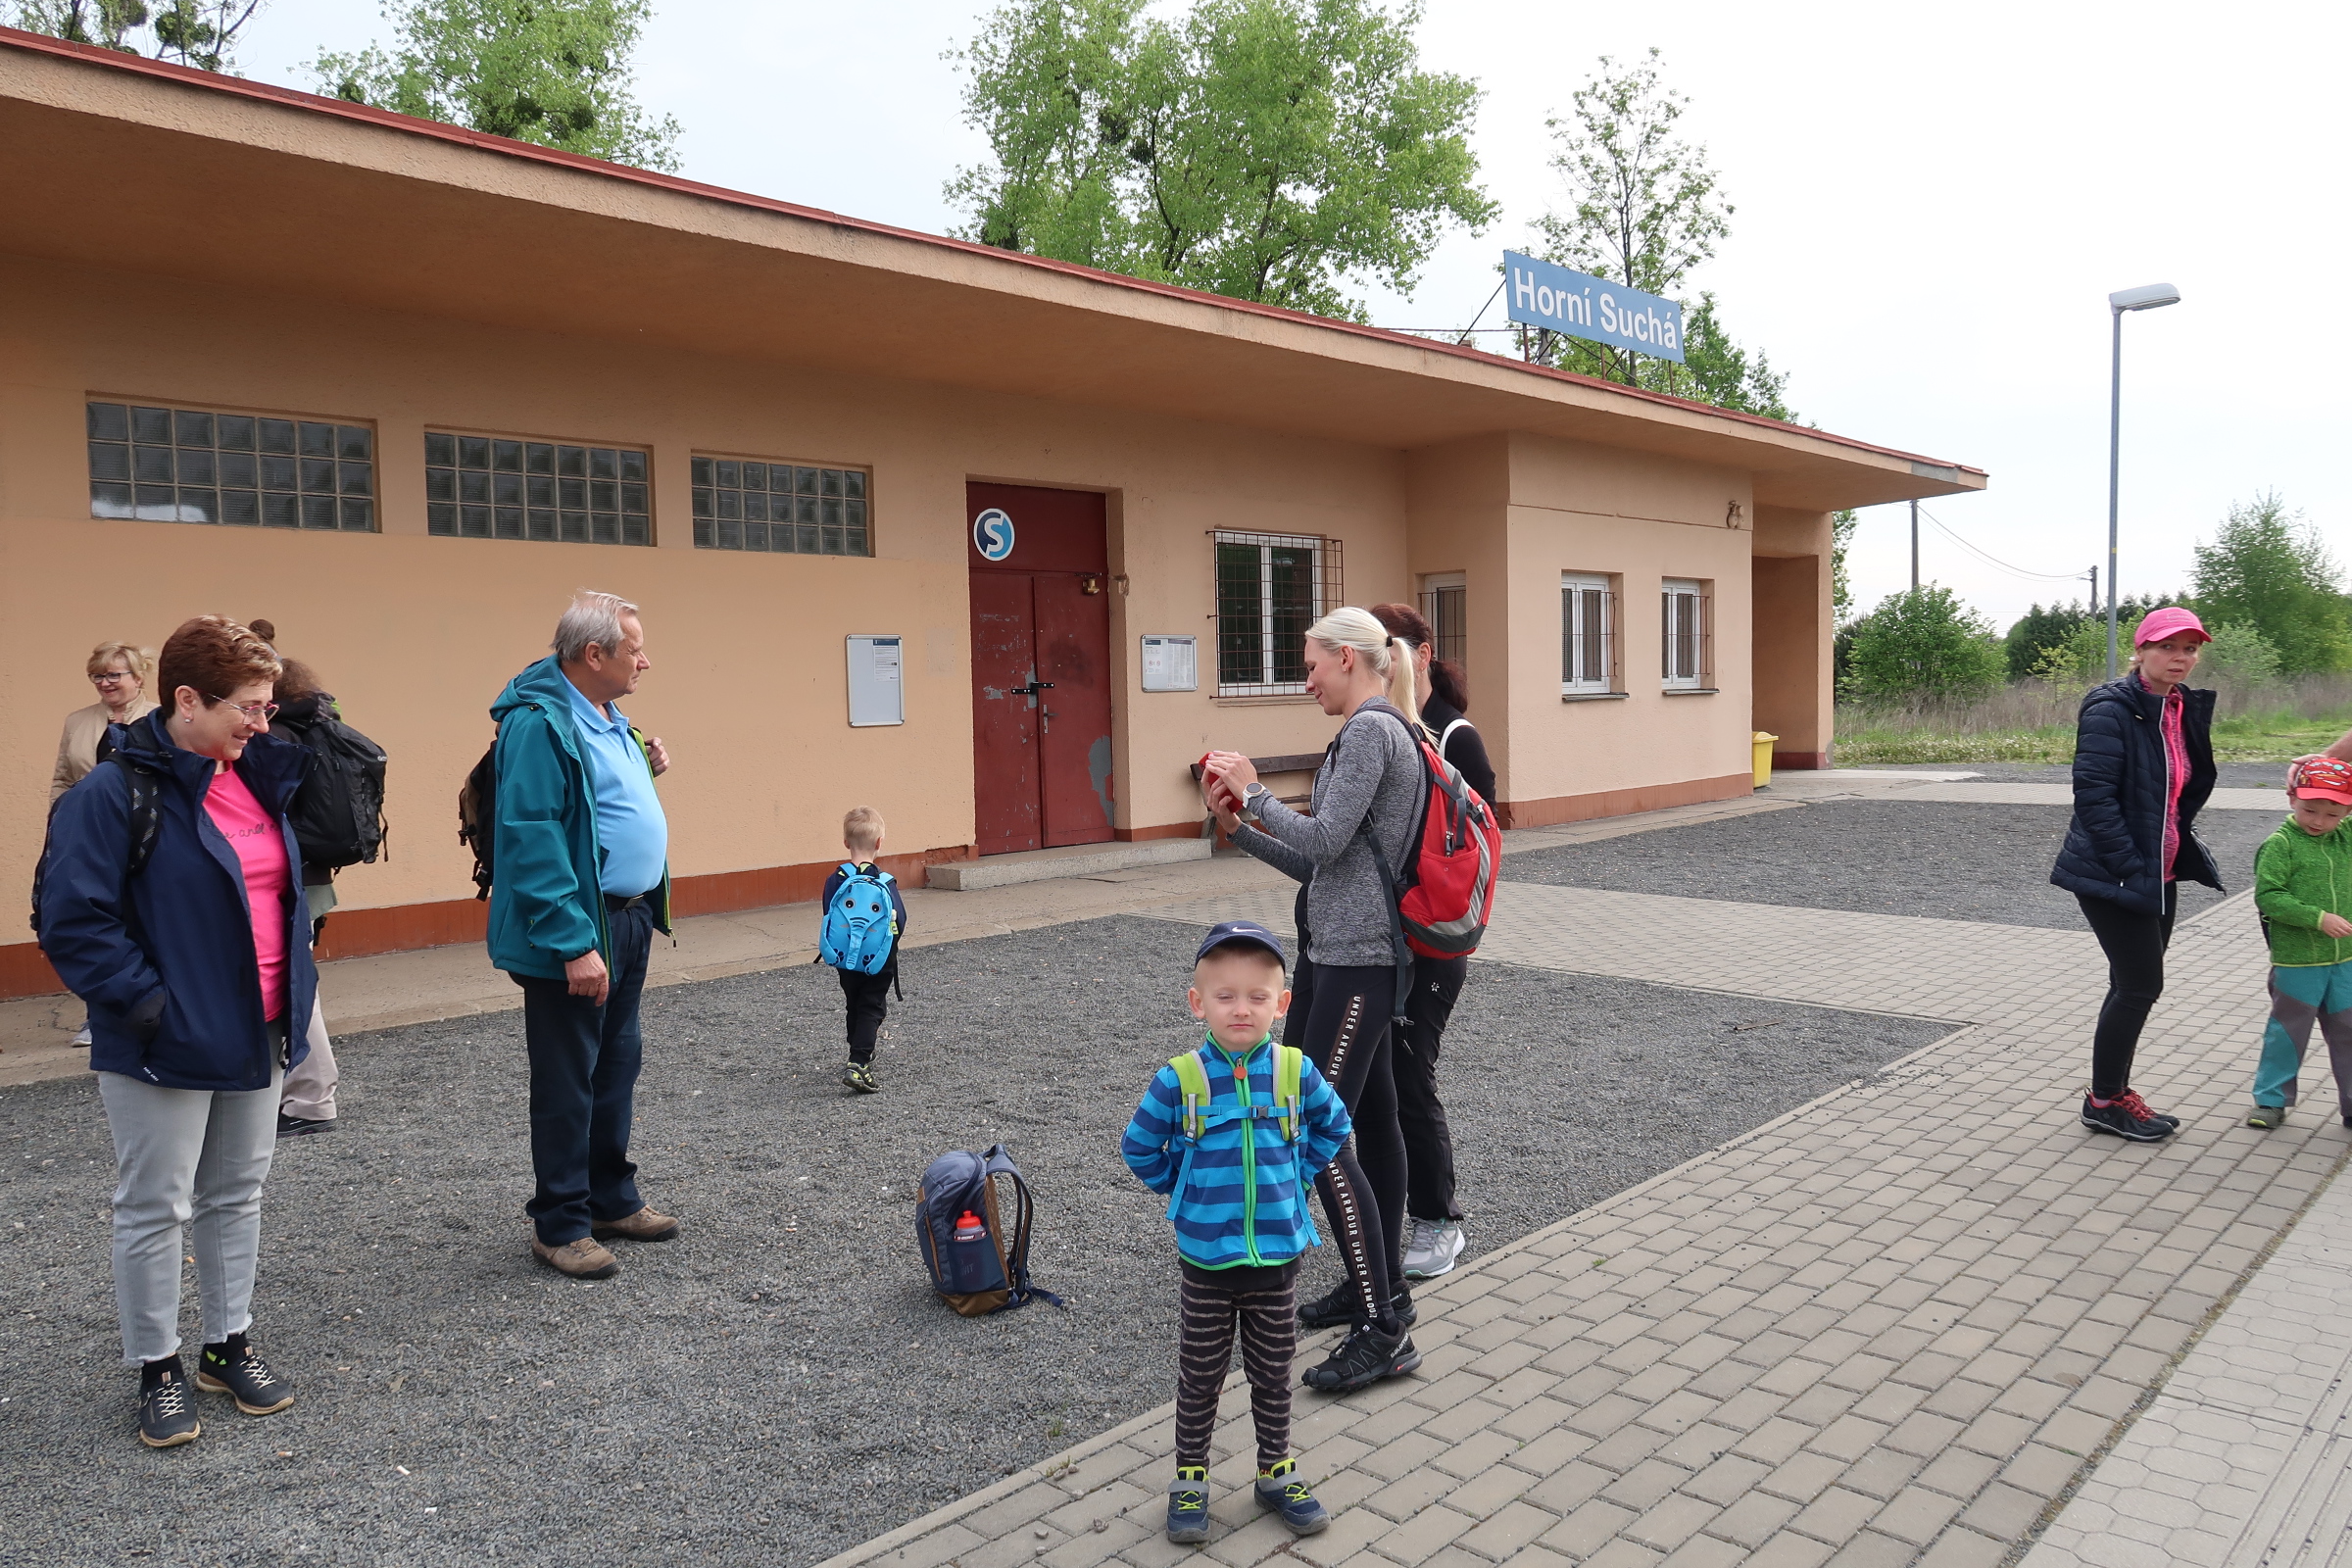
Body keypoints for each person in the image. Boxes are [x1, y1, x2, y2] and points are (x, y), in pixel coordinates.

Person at [35, 615, 313, 1447]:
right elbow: (71, 918)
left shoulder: (252, 775)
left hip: (258, 1024)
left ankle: (227, 1347)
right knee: (157, 1205)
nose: (261, 723)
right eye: (248, 707)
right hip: (164, 1037)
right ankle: (157, 1367)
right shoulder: (110, 793)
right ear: (187, 701)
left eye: (267, 707)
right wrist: (148, 1005)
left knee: (236, 1194)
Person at [1203, 605, 1425, 1393]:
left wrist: (1256, 791)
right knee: (1373, 1123)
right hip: (1342, 955)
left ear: (1346, 658)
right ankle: (1382, 1287)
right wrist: (1241, 827)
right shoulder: (1367, 733)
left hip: (1359, 962)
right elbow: (1323, 865)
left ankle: (1385, 1330)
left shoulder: (1371, 732)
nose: (1306, 681)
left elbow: (1326, 838)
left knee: (1315, 1134)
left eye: (1308, 666)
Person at [1121, 921, 1349, 1544]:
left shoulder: (1295, 1070)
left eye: (1257, 996)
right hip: (1206, 1264)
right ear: (1198, 1003)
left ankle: (1275, 1472)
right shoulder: (1179, 1078)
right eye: (1225, 996)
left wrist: (1299, 1175)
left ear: (1282, 1003)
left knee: (1273, 1374)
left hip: (1277, 1260)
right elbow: (1138, 1147)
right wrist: (1183, 1188)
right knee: (1200, 1377)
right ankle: (1190, 1480)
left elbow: (1335, 1124)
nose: (1241, 1009)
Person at [488, 590, 677, 1280]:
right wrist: (573, 943)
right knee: (569, 1080)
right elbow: (532, 837)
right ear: (593, 654)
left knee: (615, 1067)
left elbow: (594, 810)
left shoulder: (606, 716)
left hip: (627, 918)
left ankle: (608, 1199)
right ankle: (561, 1223)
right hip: (580, 930)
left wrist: (645, 768)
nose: (644, 662)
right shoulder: (540, 724)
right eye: (634, 650)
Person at [2050, 606, 2223, 1142]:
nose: (2180, 658)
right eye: (2168, 646)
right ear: (2141, 650)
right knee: (2141, 984)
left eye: (2190, 649)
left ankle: (2111, 1095)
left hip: (2158, 870)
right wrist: (2128, 865)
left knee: (2129, 984)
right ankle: (2104, 1101)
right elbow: (2094, 798)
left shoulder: (2178, 706)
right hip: (2116, 871)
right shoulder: (2112, 708)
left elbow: (2174, 790)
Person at [1368, 602, 1486, 1281]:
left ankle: (1440, 1220)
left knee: (1412, 1078)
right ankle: (1384, 1217)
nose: (1380, 663)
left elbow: (1473, 843)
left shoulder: (1451, 736)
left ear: (1421, 654)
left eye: (1388, 649)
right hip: (1385, 937)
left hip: (1432, 941)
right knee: (1379, 1083)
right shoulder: (1381, 726)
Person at [251, 624, 344, 1138]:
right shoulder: (315, 722)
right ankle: (303, 1094)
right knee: (298, 980)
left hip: (290, 877)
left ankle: (311, 1098)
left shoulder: (277, 735)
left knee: (296, 986)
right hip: (312, 873)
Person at [2245, 757, 2352, 1128]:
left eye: (2332, 814)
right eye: (2309, 810)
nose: (2319, 821)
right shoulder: (2281, 844)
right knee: (2287, 1032)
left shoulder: (2345, 836)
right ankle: (2270, 1101)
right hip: (2297, 962)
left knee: (2349, 1031)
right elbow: (2269, 896)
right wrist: (2318, 918)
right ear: (2292, 798)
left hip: (2345, 960)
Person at [822, 806, 908, 1095]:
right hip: (877, 959)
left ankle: (858, 1048)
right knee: (872, 1005)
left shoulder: (835, 879)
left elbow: (828, 914)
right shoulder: (885, 882)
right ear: (879, 842)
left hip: (844, 958)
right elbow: (900, 919)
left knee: (854, 1002)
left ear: (846, 842)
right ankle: (859, 1062)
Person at [51, 639, 159, 803]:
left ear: (138, 678)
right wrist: (59, 814)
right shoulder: (76, 721)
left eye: (114, 675)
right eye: (98, 676)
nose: (104, 683)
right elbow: (63, 781)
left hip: (143, 816)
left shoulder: (161, 720)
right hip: (85, 814)